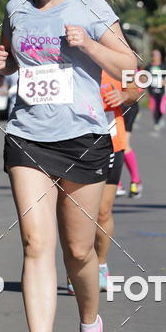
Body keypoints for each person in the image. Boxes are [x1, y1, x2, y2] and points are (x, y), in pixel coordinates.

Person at [0, 0, 135, 332]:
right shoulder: (17, 8)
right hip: (27, 135)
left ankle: (90, 329)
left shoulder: (91, 7)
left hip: (83, 139)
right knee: (35, 243)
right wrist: (3, 63)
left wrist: (89, 45)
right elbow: (18, 58)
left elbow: (131, 65)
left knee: (78, 250)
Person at [68, 70, 142, 294]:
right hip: (73, 142)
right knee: (76, 212)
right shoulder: (68, 56)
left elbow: (135, 90)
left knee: (102, 212)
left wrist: (123, 96)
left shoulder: (115, 57)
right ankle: (76, 268)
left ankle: (100, 264)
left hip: (110, 141)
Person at [147, 48, 166, 132]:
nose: (156, 57)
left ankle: (160, 118)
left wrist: (165, 81)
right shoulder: (149, 67)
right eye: (154, 55)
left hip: (161, 89)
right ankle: (156, 122)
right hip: (151, 89)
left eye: (158, 55)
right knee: (154, 107)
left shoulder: (163, 66)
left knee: (161, 108)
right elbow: (144, 76)